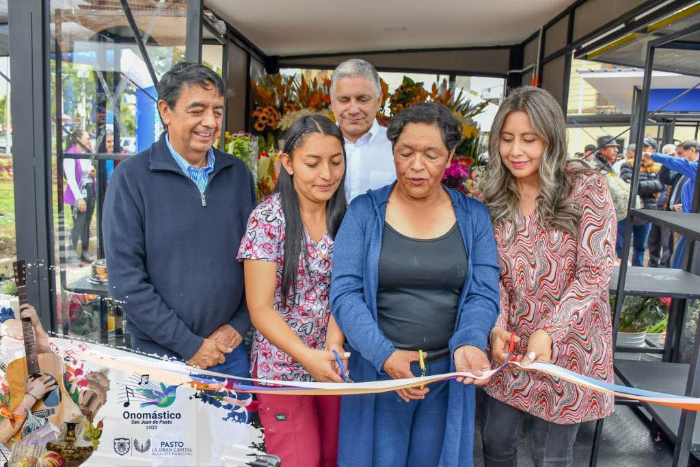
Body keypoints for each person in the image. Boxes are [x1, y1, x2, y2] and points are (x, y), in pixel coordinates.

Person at [331, 102, 500, 467]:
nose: (417, 166)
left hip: (447, 375)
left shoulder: (474, 217)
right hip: (379, 375)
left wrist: (470, 342)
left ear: (451, 155)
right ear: (392, 151)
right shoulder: (364, 212)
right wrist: (384, 356)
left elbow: (484, 292)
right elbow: (345, 293)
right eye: (405, 153)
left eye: (431, 154)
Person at [481, 86, 616, 466]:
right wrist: (498, 327)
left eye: (529, 139)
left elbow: (595, 272)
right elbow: (491, 275)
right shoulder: (492, 196)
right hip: (512, 346)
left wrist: (551, 331)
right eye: (507, 139)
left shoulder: (586, 188)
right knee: (495, 441)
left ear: (552, 139)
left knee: (550, 455)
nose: (516, 151)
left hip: (571, 348)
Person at [103, 62, 255, 374]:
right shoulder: (131, 179)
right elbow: (126, 281)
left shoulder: (237, 173)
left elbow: (256, 260)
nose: (210, 122)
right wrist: (190, 345)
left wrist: (239, 324)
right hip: (160, 358)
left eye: (217, 110)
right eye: (197, 110)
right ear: (165, 110)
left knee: (236, 426)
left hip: (229, 351)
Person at [237, 115, 347, 467]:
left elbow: (348, 289)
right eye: (312, 163)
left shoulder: (345, 216)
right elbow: (260, 308)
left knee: (333, 456)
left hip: (332, 364)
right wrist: (305, 356)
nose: (326, 175)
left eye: (335, 161)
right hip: (282, 371)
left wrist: (332, 345)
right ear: (287, 163)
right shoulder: (268, 219)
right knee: (301, 459)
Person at [330, 59, 394, 201]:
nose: (353, 110)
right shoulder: (316, 144)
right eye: (344, 100)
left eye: (363, 99)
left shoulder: (396, 147)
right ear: (332, 102)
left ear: (379, 101)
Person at [652, 140, 699, 270]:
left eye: (680, 153)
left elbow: (678, 163)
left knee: (682, 262)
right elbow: (667, 178)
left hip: (692, 223)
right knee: (680, 259)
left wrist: (654, 156)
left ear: (692, 151)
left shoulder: (693, 168)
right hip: (688, 219)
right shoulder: (691, 168)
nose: (678, 156)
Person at [617, 137, 663, 266]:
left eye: (646, 147)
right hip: (628, 209)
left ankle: (637, 268)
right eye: (641, 147)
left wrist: (638, 186)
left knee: (641, 246)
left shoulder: (658, 166)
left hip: (647, 210)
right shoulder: (628, 164)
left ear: (653, 150)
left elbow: (660, 185)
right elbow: (627, 182)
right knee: (622, 244)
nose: (643, 150)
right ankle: (623, 266)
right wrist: (650, 189)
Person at [63, 129, 96, 264]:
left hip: (90, 189)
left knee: (87, 223)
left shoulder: (87, 152)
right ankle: (70, 254)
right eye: (87, 138)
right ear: (78, 139)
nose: (89, 140)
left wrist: (91, 173)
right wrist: (79, 198)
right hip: (79, 192)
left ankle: (84, 252)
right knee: (78, 223)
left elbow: (88, 168)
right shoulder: (70, 155)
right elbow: (70, 178)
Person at [648, 143, 678, 267]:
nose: (669, 156)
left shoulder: (680, 168)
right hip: (659, 207)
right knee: (654, 238)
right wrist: (666, 162)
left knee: (667, 242)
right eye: (666, 154)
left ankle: (664, 265)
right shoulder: (665, 168)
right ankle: (653, 262)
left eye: (671, 154)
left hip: (671, 211)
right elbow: (663, 180)